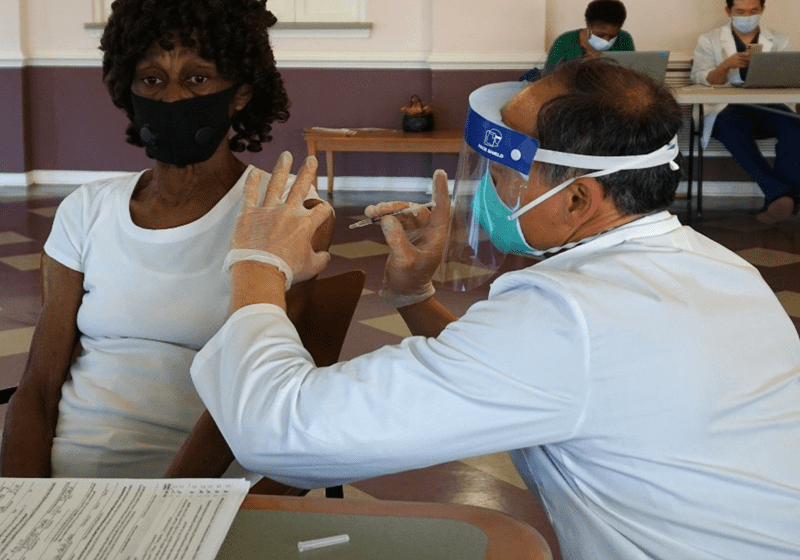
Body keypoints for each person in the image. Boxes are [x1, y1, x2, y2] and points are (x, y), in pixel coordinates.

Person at [191, 58, 800, 560]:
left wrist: (258, 262)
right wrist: (413, 295)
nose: (487, 186)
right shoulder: (716, 266)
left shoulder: (570, 315)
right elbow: (525, 379)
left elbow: (281, 432)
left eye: (506, 171)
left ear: (579, 196)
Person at [0, 0, 332, 479]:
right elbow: (39, 388)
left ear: (239, 93)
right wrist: (24, 506)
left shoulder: (283, 213)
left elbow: (262, 394)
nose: (171, 99)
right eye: (151, 80)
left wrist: (163, 507)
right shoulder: (86, 211)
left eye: (196, 78)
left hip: (200, 488)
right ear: (127, 88)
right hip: (69, 479)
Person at [690, 0, 800, 223]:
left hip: (766, 105)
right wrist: (726, 65)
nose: (747, 16)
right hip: (728, 108)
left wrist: (768, 72)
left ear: (762, 9)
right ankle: (780, 194)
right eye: (740, 12)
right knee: (731, 128)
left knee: (795, 126)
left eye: (753, 11)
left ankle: (778, 198)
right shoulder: (709, 40)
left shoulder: (779, 41)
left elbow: (789, 79)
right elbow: (702, 79)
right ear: (728, 11)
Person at [544, 0, 634, 73]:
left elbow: (630, 76)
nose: (606, 40)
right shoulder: (565, 41)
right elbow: (548, 80)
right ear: (588, 25)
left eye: (612, 36)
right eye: (600, 35)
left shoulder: (624, 39)